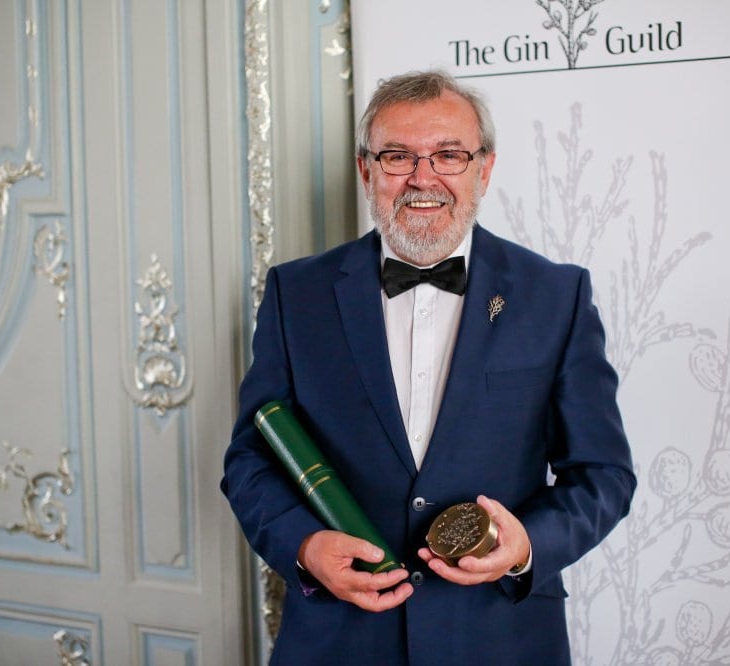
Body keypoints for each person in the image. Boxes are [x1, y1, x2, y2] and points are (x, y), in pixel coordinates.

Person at [222, 70, 635, 665]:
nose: (422, 177)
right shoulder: (297, 293)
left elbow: (603, 474)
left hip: (502, 639)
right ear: (366, 171)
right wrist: (305, 546)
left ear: (483, 170)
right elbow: (249, 460)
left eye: (449, 155)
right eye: (397, 156)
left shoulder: (556, 295)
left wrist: (526, 545)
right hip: (338, 640)